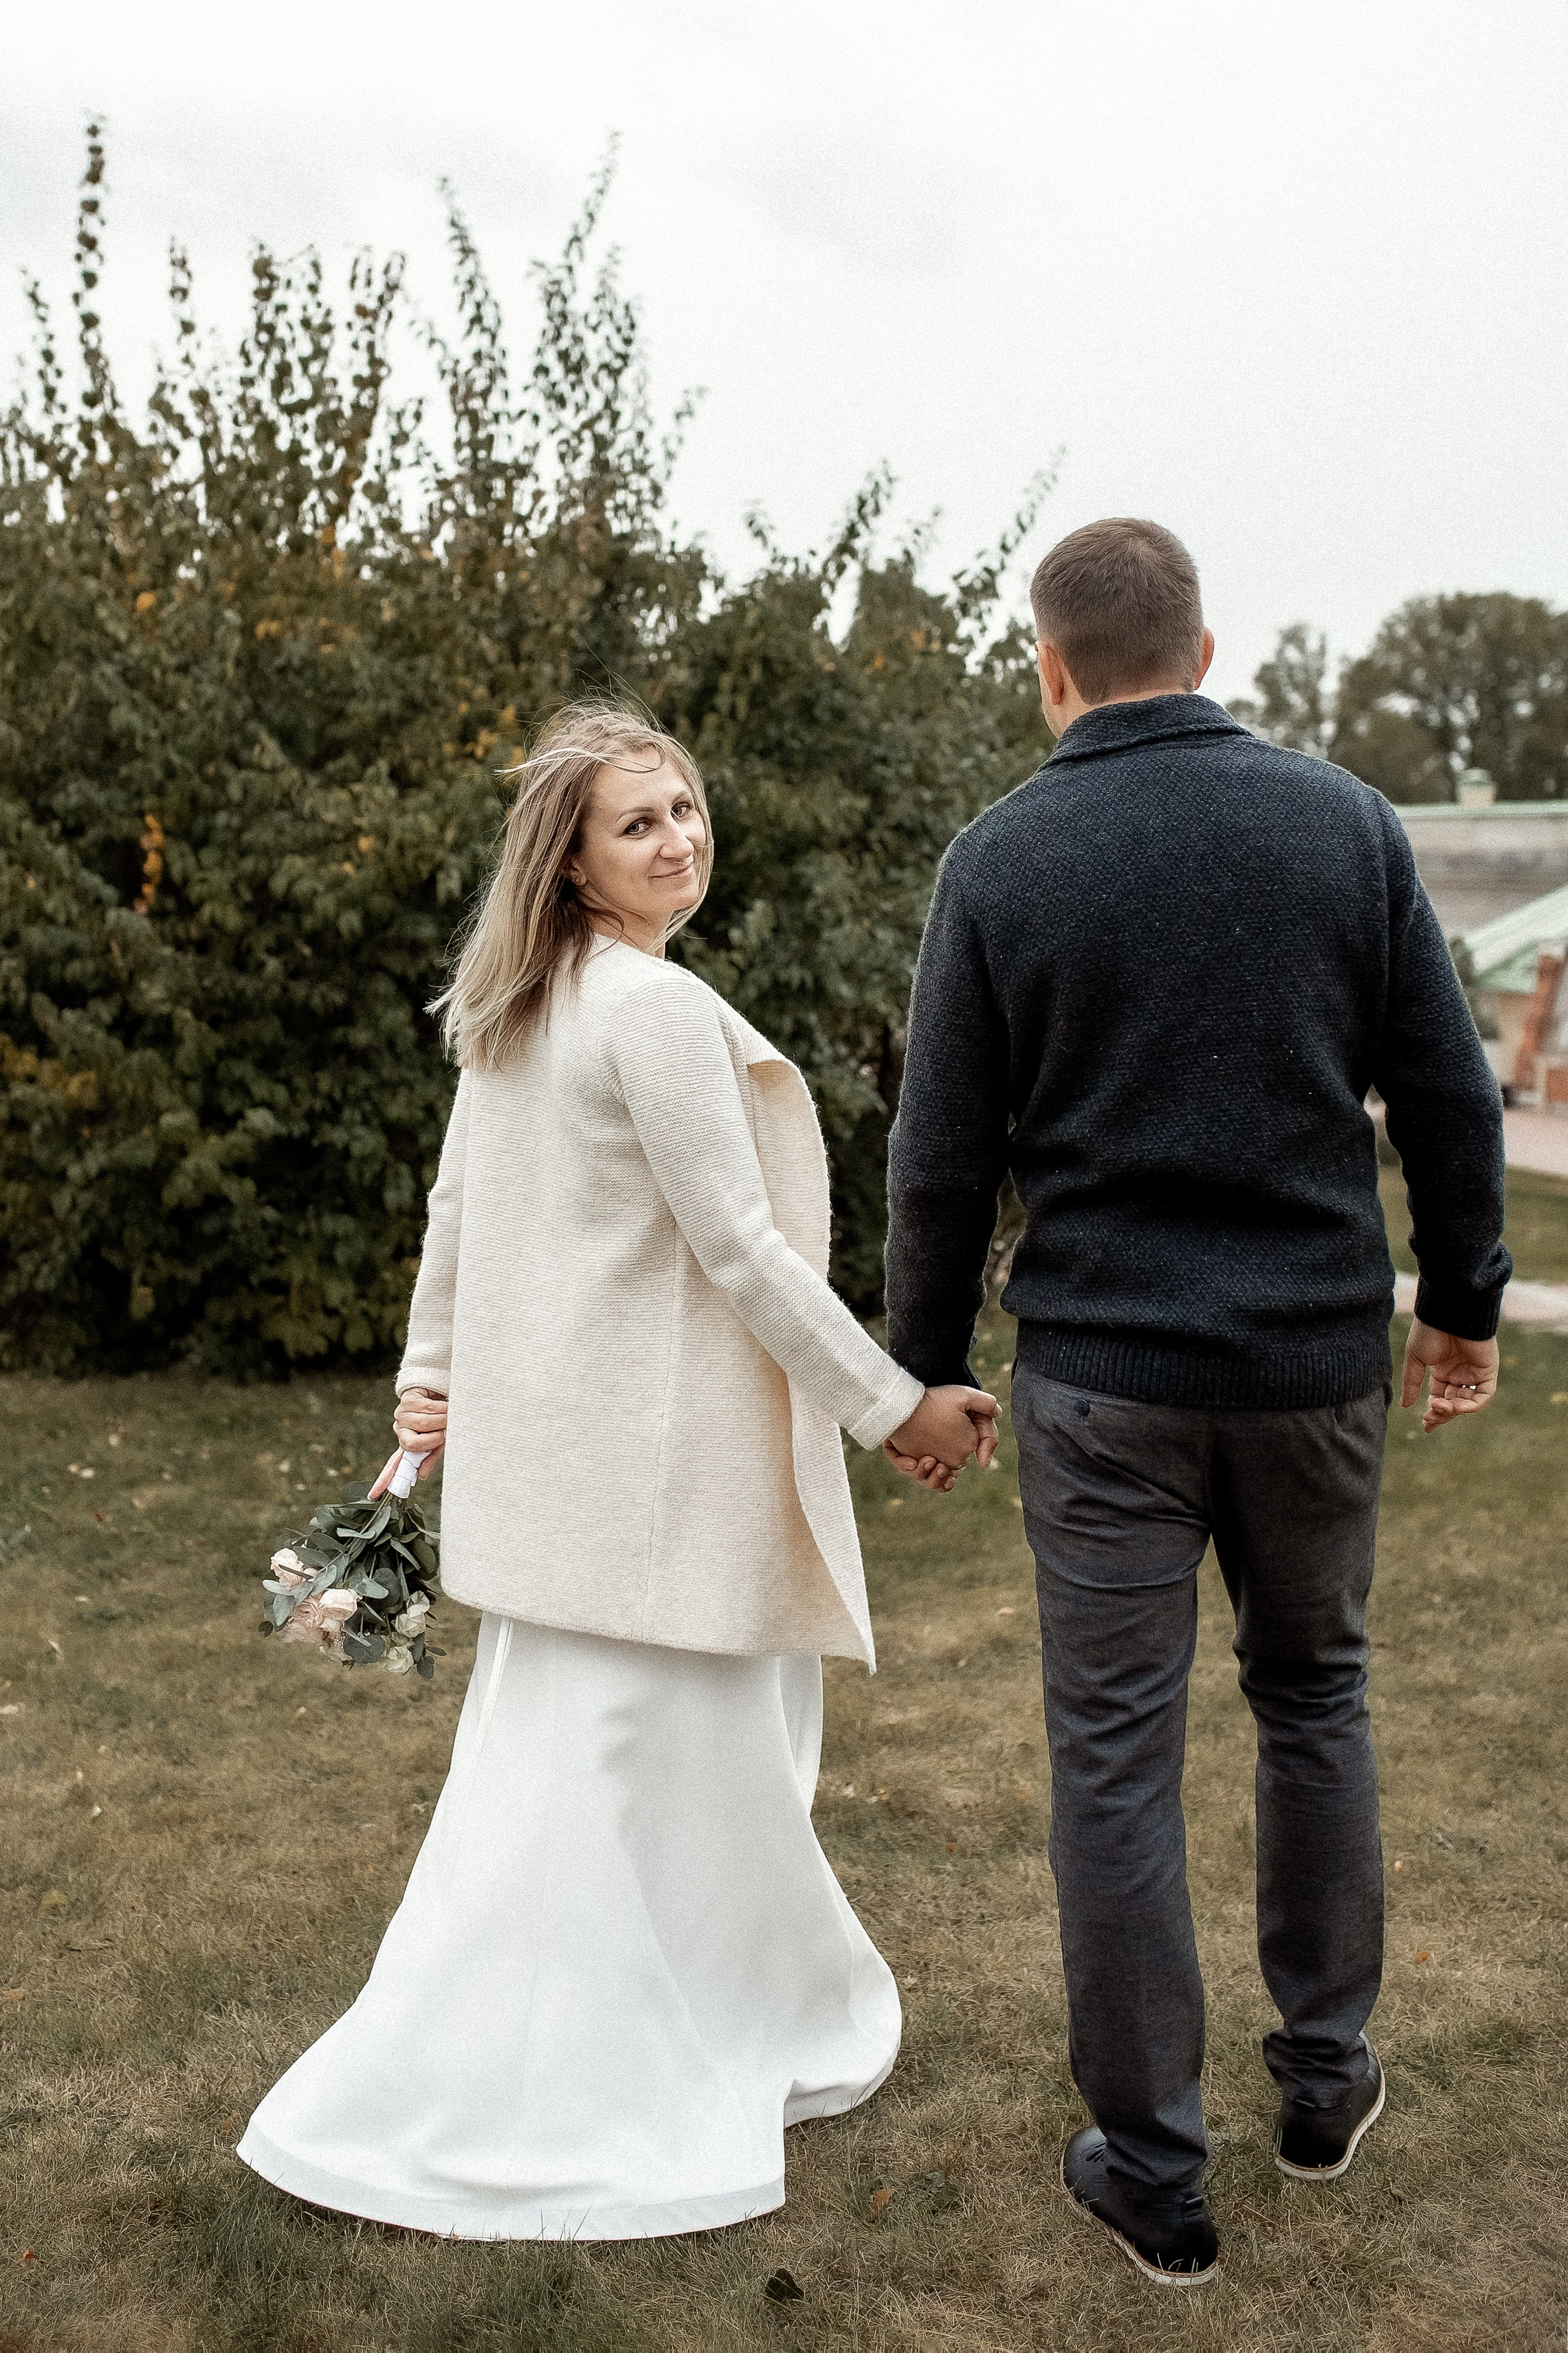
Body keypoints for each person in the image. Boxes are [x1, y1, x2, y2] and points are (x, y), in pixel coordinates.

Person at [239, 700, 998, 2240]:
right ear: (573, 863)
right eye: (636, 823)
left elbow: (452, 1214)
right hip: (649, 1494)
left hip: (566, 1495)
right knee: (667, 1797)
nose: (679, 839)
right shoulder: (637, 1009)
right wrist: (891, 1405)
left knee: (577, 1801)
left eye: (687, 809)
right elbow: (739, 1249)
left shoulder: (525, 1005)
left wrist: (427, 1371)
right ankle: (592, 2085)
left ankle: (629, 2035)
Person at [883, 518, 1508, 2290]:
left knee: (1113, 1758)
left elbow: (938, 1159)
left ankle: (1152, 2169)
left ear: (1047, 666)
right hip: (1310, 1367)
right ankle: (1322, 2084)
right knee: (1314, 1694)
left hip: (1100, 1387)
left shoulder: (1001, 857)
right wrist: (1457, 1309)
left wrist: (923, 1363)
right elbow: (1449, 1105)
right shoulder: (1344, 825)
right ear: (1208, 649)